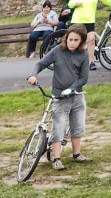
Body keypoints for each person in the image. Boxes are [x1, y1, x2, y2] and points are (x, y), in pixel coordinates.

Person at [28, 25, 91, 169]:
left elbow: (83, 79)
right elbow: (40, 64)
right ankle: (56, 159)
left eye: (76, 40)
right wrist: (33, 75)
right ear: (66, 38)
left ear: (81, 41)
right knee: (59, 127)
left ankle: (77, 154)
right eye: (70, 39)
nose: (72, 42)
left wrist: (71, 89)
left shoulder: (83, 54)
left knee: (78, 126)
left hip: (77, 96)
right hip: (60, 98)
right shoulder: (57, 51)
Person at [68, 0, 111, 69]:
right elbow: (70, 4)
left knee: (91, 40)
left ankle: (91, 62)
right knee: (76, 42)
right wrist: (76, 3)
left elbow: (108, 1)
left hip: (90, 20)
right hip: (77, 20)